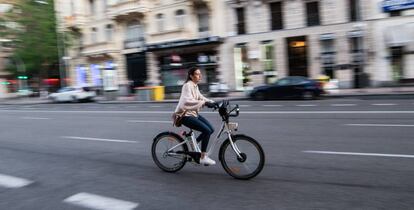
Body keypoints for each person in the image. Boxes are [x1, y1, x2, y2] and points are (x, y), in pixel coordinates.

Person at [174, 67, 217, 165]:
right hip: (185, 116)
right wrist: (204, 103)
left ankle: (194, 145)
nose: (200, 75)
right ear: (191, 76)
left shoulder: (195, 86)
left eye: (200, 73)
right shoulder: (187, 86)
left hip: (193, 114)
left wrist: (214, 103)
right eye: (197, 74)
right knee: (206, 131)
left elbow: (201, 97)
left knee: (211, 129)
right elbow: (186, 102)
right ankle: (203, 157)